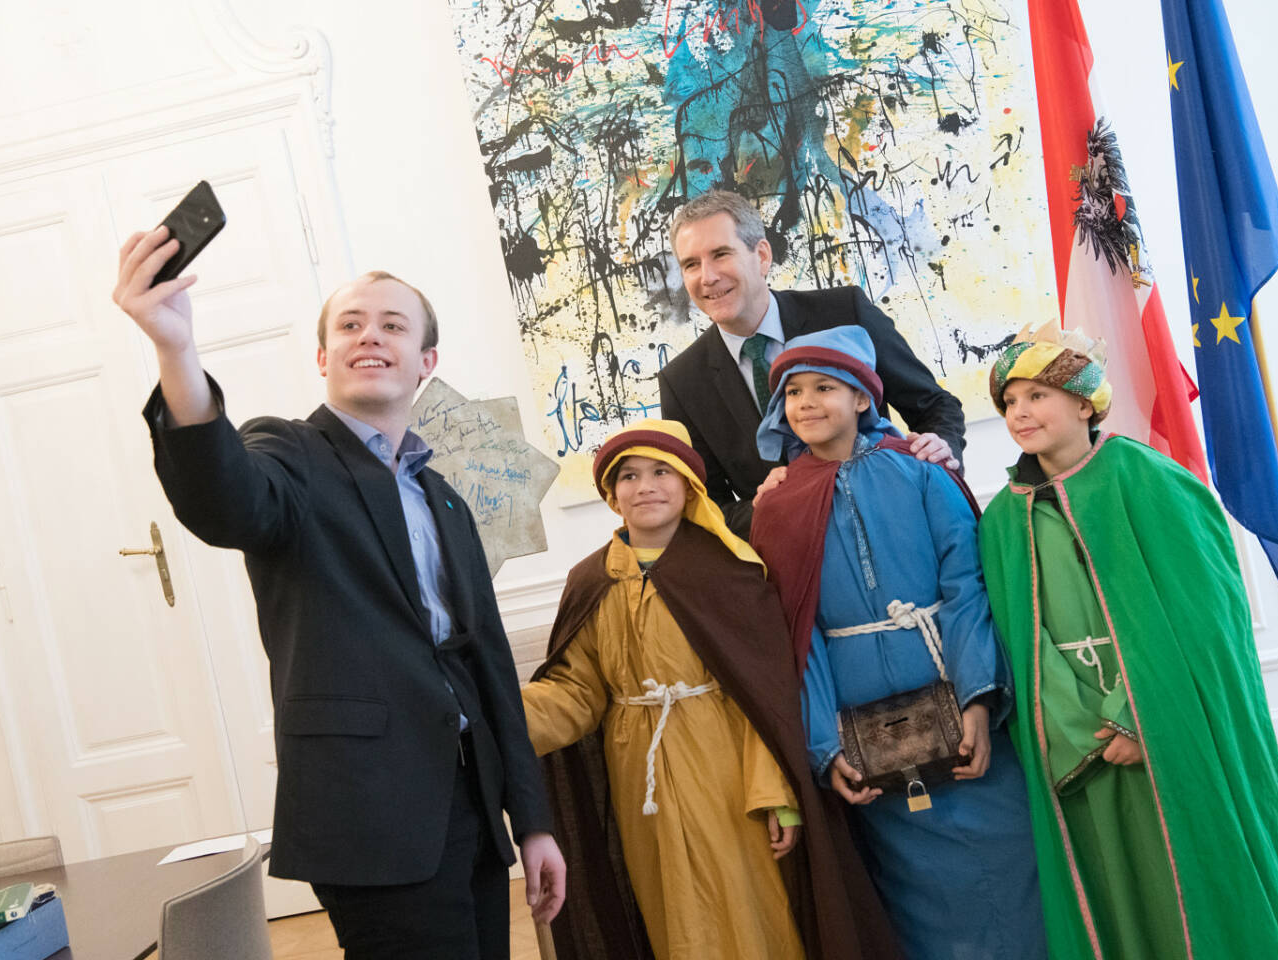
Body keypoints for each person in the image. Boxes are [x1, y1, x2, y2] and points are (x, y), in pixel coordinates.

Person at [111, 226, 564, 960]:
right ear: (323, 357)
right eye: (349, 325)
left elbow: (487, 672)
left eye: (392, 325)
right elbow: (226, 499)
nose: (369, 336)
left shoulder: (444, 497)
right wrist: (175, 350)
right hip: (369, 814)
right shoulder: (287, 453)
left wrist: (532, 819)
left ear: (426, 362)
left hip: (471, 805)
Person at [977, 323, 1278, 959]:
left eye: (1036, 395)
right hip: (1075, 743)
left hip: (1165, 724)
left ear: (1084, 403)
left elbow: (1208, 616)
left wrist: (1138, 715)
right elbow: (1015, 638)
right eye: (1009, 401)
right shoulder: (1005, 516)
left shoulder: (1148, 478)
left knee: (1201, 863)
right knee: (1116, 884)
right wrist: (1076, 724)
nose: (1019, 413)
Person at [524, 420, 899, 960]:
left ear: (689, 486)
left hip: (727, 775)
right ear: (611, 495)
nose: (645, 485)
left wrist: (776, 796)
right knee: (668, 908)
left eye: (661, 472)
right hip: (640, 779)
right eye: (627, 476)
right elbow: (578, 691)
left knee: (750, 907)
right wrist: (507, 717)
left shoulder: (729, 570)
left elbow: (763, 696)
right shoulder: (592, 580)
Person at [751, 325, 1047, 959]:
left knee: (1009, 857)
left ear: (862, 398)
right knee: (915, 891)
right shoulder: (777, 509)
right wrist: (828, 748)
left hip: (955, 690)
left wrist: (976, 699)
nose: (806, 403)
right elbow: (798, 638)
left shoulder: (921, 471)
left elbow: (967, 587)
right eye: (793, 392)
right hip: (866, 733)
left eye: (824, 387)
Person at [658, 189, 966, 537]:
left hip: (901, 531)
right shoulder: (681, 382)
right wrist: (763, 507)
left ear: (761, 256)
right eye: (691, 264)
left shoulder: (845, 312)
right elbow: (706, 507)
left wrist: (942, 446)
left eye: (721, 254)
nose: (707, 276)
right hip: (792, 567)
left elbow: (934, 405)